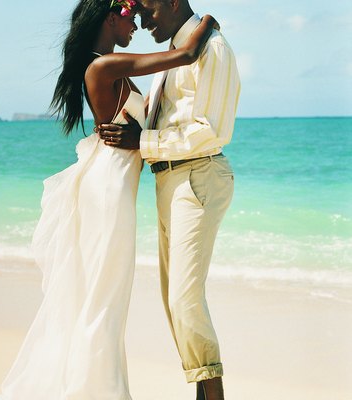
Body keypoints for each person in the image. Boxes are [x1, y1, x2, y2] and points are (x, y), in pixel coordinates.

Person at [0, 0, 217, 398]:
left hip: (114, 189)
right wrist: (209, 20)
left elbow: (146, 115)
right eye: (130, 18)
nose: (137, 25)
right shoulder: (103, 67)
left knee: (107, 299)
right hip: (108, 193)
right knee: (104, 300)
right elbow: (185, 53)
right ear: (110, 18)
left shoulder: (111, 68)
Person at [97, 0, 241, 398]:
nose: (142, 23)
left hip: (197, 174)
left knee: (183, 298)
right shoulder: (177, 52)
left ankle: (213, 396)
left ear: (173, 3)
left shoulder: (213, 49)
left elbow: (211, 130)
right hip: (170, 180)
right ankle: (202, 391)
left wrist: (141, 141)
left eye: (147, 13)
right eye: (136, 15)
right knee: (172, 301)